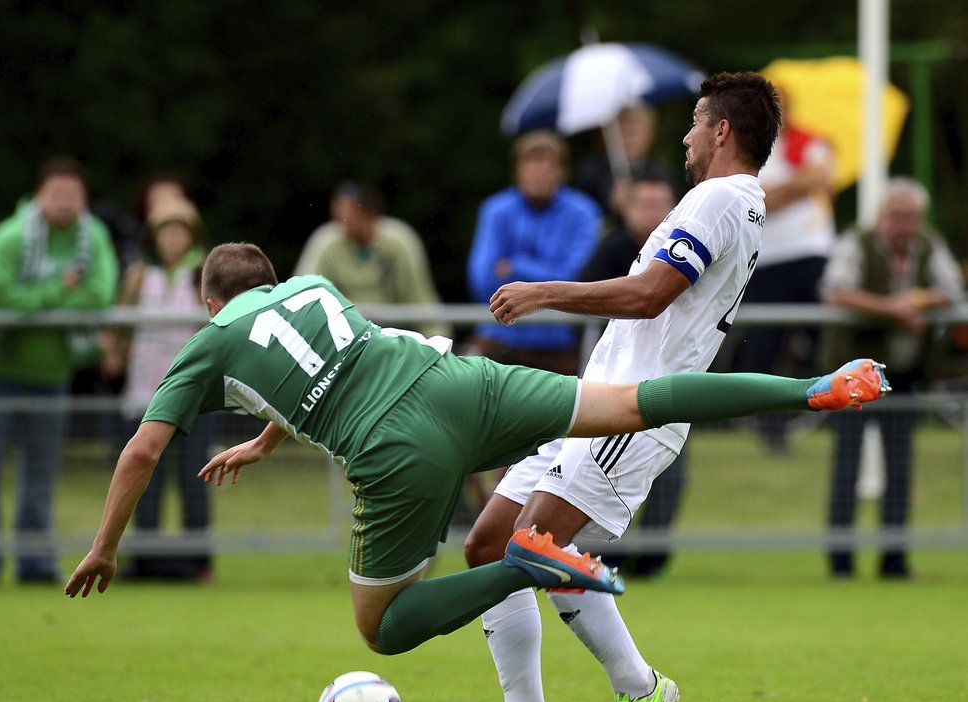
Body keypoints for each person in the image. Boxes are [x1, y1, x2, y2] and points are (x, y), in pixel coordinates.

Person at [64, 242, 888, 662]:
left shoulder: (209, 340)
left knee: (381, 626)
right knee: (632, 403)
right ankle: (811, 385)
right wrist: (267, 433)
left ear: (211, 301)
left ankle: (536, 564)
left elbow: (141, 449)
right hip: (460, 381)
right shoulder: (311, 288)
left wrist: (106, 545)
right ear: (270, 279)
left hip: (396, 448)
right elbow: (334, 356)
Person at [446, 71, 784, 702]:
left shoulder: (718, 198)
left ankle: (639, 685)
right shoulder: (734, 202)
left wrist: (545, 290)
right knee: (487, 543)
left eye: (694, 122)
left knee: (532, 543)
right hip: (593, 400)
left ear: (722, 131)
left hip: (634, 411)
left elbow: (650, 294)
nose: (686, 136)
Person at [0, 156, 119, 583]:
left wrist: (36, 300)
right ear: (38, 196)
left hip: (52, 380)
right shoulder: (10, 236)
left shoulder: (95, 237)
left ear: (84, 200)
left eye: (73, 196)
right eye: (56, 195)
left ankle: (34, 565)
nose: (64, 204)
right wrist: (57, 289)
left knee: (40, 478)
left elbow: (99, 295)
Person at [820, 177, 965, 579]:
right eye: (897, 216)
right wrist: (892, 309)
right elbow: (836, 290)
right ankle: (841, 561)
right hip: (852, 375)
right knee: (846, 466)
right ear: (882, 215)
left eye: (911, 218)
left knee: (900, 468)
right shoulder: (857, 242)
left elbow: (952, 288)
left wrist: (915, 300)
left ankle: (894, 559)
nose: (904, 225)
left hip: (904, 374)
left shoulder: (928, 245)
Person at [101, 196, 214, 581]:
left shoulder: (204, 274)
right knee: (143, 477)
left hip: (194, 396)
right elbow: (119, 324)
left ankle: (199, 561)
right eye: (165, 231)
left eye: (180, 231)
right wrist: (114, 352)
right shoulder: (137, 275)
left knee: (194, 478)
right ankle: (144, 557)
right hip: (144, 393)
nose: (172, 239)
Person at [577, 173, 684, 578]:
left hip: (666, 379)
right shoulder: (612, 249)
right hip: (615, 384)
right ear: (625, 208)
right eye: (644, 203)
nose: (653, 212)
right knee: (603, 465)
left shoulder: (687, 246)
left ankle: (654, 555)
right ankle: (604, 552)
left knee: (669, 469)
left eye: (661, 203)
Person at [735, 88, 837, 452]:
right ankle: (768, 425)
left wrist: (775, 193)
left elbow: (823, 183)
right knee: (765, 343)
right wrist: (801, 185)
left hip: (811, 254)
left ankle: (835, 406)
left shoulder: (809, 141)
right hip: (767, 259)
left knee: (824, 338)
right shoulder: (750, 148)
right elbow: (757, 199)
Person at [466, 130, 601, 375]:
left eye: (547, 164)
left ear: (562, 171)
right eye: (531, 163)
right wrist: (549, 280)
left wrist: (516, 266)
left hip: (559, 344)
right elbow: (481, 280)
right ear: (517, 170)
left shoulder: (583, 212)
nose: (539, 172)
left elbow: (578, 278)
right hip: (499, 339)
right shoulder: (495, 210)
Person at [294, 181, 448, 338]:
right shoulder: (326, 241)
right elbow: (305, 294)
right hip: (343, 336)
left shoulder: (398, 240)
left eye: (350, 215)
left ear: (371, 214)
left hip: (393, 335)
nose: (342, 219)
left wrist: (437, 341)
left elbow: (419, 296)